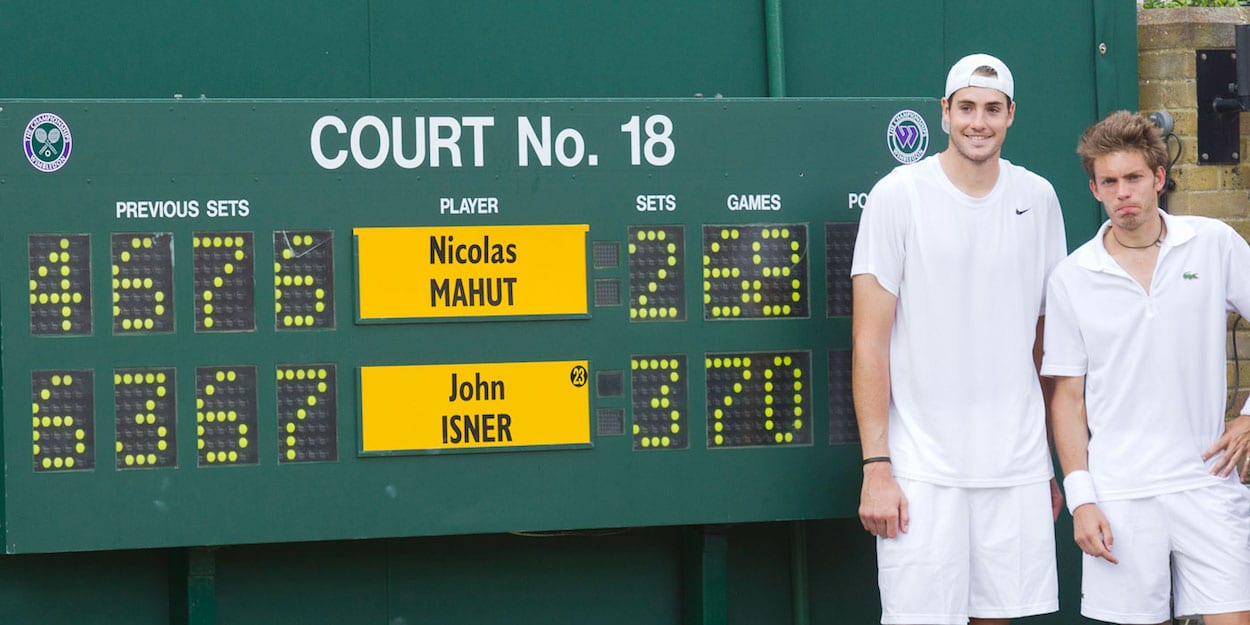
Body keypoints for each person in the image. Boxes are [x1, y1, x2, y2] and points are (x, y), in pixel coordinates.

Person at [850, 53, 1066, 624]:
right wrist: (877, 466)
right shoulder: (898, 195)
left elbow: (1046, 339)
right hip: (920, 469)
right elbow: (869, 342)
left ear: (1011, 115)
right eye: (966, 107)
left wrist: (1044, 460)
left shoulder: (1039, 198)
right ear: (944, 113)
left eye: (992, 109)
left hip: (1015, 465)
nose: (979, 122)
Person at [1044, 110, 1250, 625]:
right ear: (1094, 189)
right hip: (1120, 495)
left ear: (1158, 178)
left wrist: (1249, 417)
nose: (1123, 193)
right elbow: (1067, 397)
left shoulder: (1213, 242)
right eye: (1108, 182)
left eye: (1133, 178)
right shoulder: (1072, 277)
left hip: (1207, 481)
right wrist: (1081, 499)